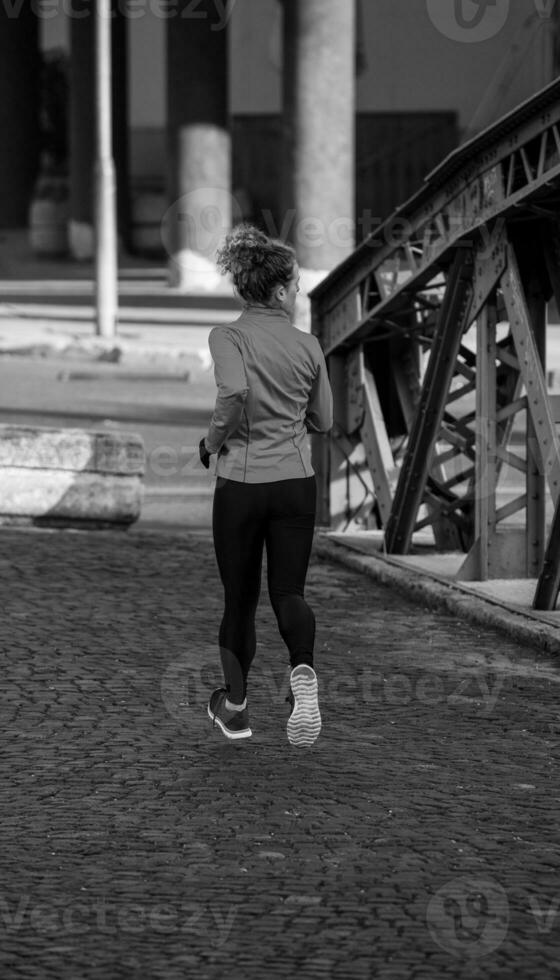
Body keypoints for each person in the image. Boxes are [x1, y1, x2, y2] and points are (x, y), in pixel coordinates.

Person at [200, 224, 333, 747]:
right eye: (297, 285)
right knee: (289, 592)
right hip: (296, 484)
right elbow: (324, 419)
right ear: (278, 291)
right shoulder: (308, 345)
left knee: (239, 599)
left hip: (241, 485)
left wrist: (212, 442)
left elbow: (232, 392)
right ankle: (303, 674)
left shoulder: (226, 337)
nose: (298, 293)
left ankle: (235, 709)